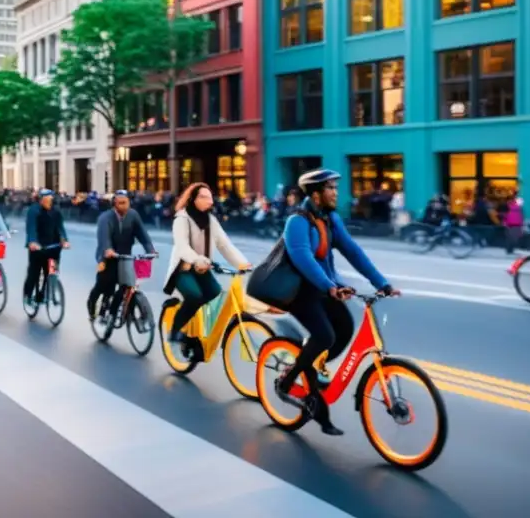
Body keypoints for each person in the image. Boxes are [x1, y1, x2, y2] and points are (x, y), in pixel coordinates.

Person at [276, 168, 399, 437]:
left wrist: (382, 283)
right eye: (331, 188)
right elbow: (303, 258)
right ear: (316, 194)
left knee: (344, 328)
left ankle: (311, 364)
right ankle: (287, 380)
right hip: (299, 291)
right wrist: (330, 287)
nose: (336, 192)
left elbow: (353, 251)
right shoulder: (297, 221)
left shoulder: (330, 218)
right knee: (325, 335)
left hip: (325, 288)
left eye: (335, 187)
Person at [163, 183, 249, 343]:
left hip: (203, 268)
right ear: (193, 199)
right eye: (203, 197)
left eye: (210, 197)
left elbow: (224, 244)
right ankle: (174, 332)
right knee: (195, 296)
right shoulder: (181, 219)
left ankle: (193, 317)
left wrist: (242, 263)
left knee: (215, 292)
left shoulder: (211, 220)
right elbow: (182, 247)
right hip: (183, 270)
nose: (209, 201)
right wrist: (197, 259)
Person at [88, 189, 155, 322]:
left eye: (126, 203)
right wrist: (108, 250)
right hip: (107, 256)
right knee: (104, 285)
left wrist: (150, 250)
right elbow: (104, 237)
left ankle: (113, 313)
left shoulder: (133, 215)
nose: (123, 206)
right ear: (114, 204)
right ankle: (92, 306)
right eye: (120, 203)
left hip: (125, 256)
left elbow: (142, 234)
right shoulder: (105, 218)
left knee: (126, 285)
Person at [24, 189, 70, 307]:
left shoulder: (56, 211)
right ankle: (28, 295)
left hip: (53, 247)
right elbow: (31, 228)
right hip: (38, 248)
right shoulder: (34, 211)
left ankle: (48, 294)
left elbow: (60, 227)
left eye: (50, 200)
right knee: (34, 273)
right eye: (45, 200)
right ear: (40, 200)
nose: (48, 202)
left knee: (52, 272)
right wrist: (32, 242)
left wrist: (64, 240)